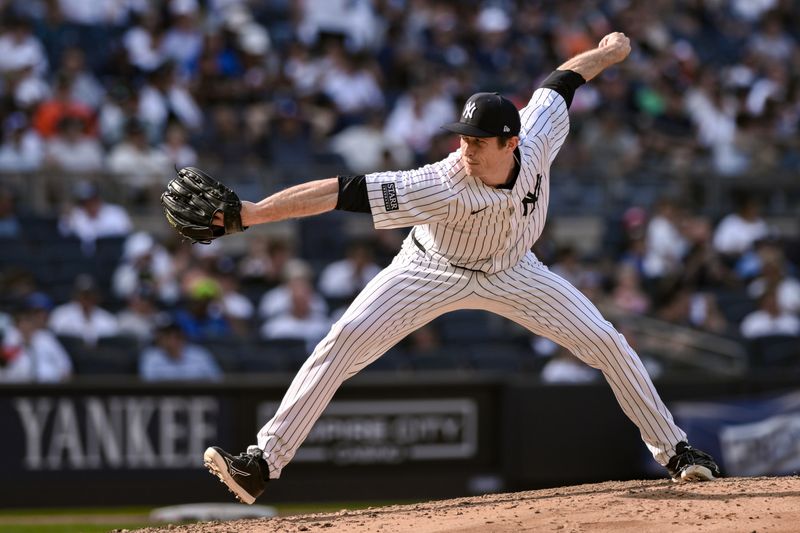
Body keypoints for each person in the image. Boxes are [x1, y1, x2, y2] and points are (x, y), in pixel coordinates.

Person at [201, 32, 721, 505]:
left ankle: (678, 453)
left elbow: (563, 79)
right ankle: (263, 462)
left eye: (476, 140)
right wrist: (252, 214)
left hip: (515, 271)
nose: (464, 147)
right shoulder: (441, 183)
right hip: (430, 269)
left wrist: (605, 55)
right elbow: (342, 190)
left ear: (510, 142)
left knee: (608, 342)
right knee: (342, 341)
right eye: (462, 137)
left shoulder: (536, 136)